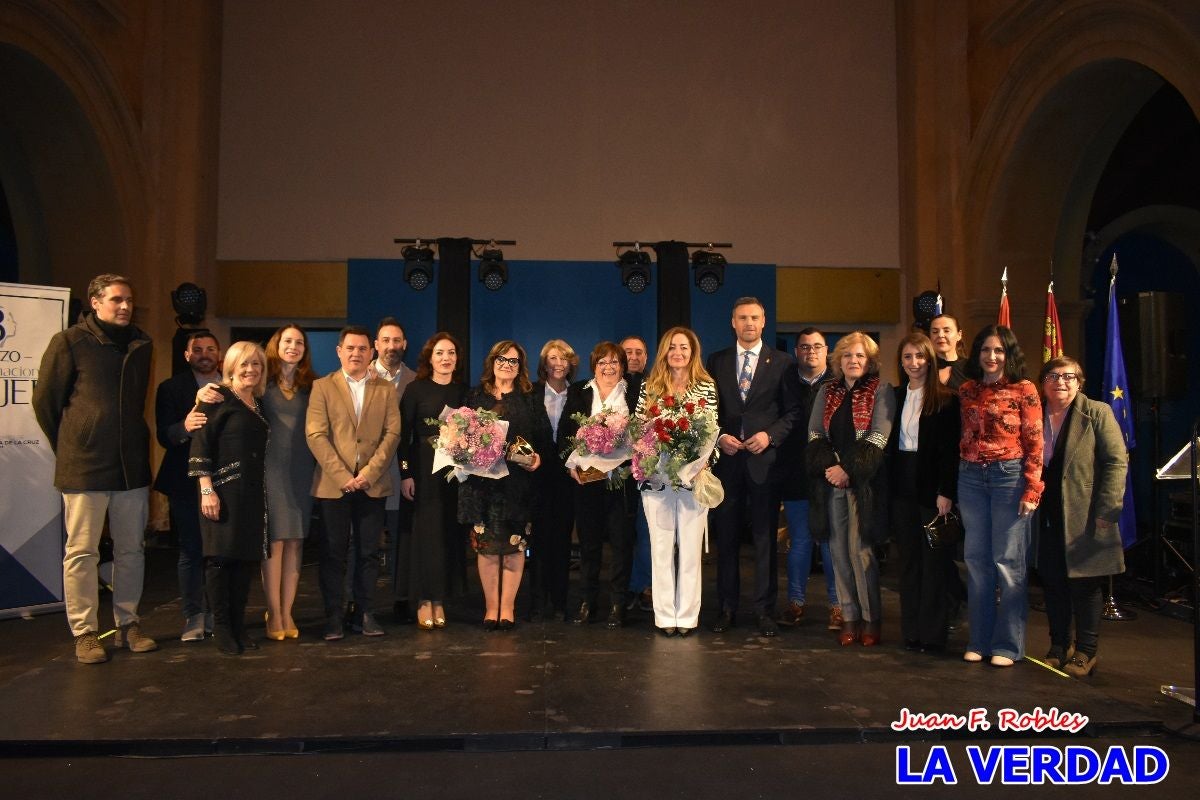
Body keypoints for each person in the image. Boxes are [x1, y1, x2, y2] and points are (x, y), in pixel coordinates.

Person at [33, 273, 158, 664]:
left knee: (132, 550)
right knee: (82, 552)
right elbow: (46, 403)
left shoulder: (142, 344)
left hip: (131, 468)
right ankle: (85, 632)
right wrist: (74, 443)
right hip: (84, 467)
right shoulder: (69, 342)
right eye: (117, 299)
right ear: (96, 302)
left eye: (129, 300)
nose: (125, 306)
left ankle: (128, 624)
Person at [707, 297, 800, 636]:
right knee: (726, 540)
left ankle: (764, 611)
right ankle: (727, 608)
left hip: (764, 463)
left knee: (764, 541)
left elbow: (791, 412)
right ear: (733, 322)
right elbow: (706, 412)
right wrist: (718, 437)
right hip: (728, 465)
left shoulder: (784, 363)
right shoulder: (716, 361)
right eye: (742, 317)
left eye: (755, 318)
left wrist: (769, 436)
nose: (749, 323)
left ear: (763, 322)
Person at [306, 325, 402, 641]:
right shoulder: (322, 387)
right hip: (334, 486)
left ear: (371, 353)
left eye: (362, 348)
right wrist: (344, 477)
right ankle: (334, 616)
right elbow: (316, 435)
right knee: (334, 553)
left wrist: (369, 474)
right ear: (339, 351)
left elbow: (393, 435)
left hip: (371, 485)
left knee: (369, 553)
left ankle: (365, 613)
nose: (356, 353)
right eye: (350, 348)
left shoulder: (385, 389)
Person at [1033, 356, 1126, 677]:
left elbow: (1116, 461)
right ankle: (1059, 646)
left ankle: (1086, 651)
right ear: (1043, 382)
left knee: (1085, 585)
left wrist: (1108, 507)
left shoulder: (1097, 412)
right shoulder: (1035, 414)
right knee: (1053, 581)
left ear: (1079, 382)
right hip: (1045, 513)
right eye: (1053, 376)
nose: (1061, 382)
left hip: (1086, 513)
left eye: (1069, 376)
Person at [958, 325, 1043, 667]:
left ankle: (1008, 645)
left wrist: (1033, 487)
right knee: (977, 562)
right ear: (977, 354)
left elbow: (1036, 442)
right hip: (970, 477)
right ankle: (979, 640)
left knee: (1007, 563)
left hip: (1009, 477)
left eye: (998, 351)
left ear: (1008, 355)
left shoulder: (1025, 390)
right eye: (985, 350)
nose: (991, 357)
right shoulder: (966, 390)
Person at [806, 332, 894, 647]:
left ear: (869, 361)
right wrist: (832, 468)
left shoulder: (882, 390)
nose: (853, 361)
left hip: (864, 484)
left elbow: (878, 438)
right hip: (832, 481)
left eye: (859, 356)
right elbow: (815, 432)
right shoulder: (826, 391)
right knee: (838, 552)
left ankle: (871, 619)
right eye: (847, 356)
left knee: (860, 552)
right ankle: (849, 616)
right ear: (838, 360)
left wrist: (849, 470)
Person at [458, 341, 552, 630]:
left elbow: (544, 436)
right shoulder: (475, 396)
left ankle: (507, 608)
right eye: (502, 359)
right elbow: (460, 437)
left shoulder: (530, 398)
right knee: (486, 548)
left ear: (520, 366)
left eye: (513, 361)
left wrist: (536, 458)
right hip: (481, 485)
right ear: (492, 361)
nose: (507, 365)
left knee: (514, 547)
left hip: (517, 486)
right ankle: (491, 608)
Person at [189, 342, 270, 655]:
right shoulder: (215, 398)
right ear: (232, 367)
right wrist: (207, 490)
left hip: (251, 496)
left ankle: (238, 625)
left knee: (244, 562)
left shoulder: (258, 403)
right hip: (221, 493)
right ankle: (221, 628)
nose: (250, 370)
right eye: (244, 364)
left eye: (256, 365)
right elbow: (200, 446)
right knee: (220, 560)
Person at [635, 327, 718, 636]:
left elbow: (711, 431)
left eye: (684, 347)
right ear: (664, 353)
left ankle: (687, 617)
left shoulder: (706, 385)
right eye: (672, 348)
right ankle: (664, 616)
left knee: (690, 551)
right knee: (660, 549)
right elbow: (640, 432)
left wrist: (701, 463)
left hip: (694, 480)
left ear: (692, 351)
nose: (678, 353)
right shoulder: (650, 386)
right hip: (656, 480)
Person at [886, 332, 960, 653]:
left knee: (934, 565)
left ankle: (932, 635)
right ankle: (911, 632)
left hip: (933, 489)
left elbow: (950, 452)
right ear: (901, 362)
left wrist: (946, 491)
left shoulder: (946, 399)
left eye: (919, 356)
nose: (914, 363)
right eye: (907, 357)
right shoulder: (895, 396)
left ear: (930, 359)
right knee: (908, 563)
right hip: (901, 484)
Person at [558, 342, 641, 628]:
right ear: (594, 366)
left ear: (622, 365)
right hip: (587, 479)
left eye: (614, 362)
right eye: (602, 362)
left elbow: (643, 433)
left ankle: (618, 604)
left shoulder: (634, 391)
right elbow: (565, 435)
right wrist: (570, 467)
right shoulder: (579, 391)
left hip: (622, 480)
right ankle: (587, 602)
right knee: (589, 545)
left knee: (621, 544)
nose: (608, 368)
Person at [153, 330, 221, 642]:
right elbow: (164, 435)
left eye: (210, 348)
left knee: (221, 551)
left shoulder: (232, 386)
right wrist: (185, 426)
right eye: (198, 349)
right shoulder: (170, 388)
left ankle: (218, 613)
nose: (204, 354)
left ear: (219, 354)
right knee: (192, 549)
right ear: (187, 355)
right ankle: (194, 615)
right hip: (185, 481)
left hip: (226, 480)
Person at [399, 332, 467, 630]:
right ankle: (424, 600)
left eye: (451, 353)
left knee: (447, 536)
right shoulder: (415, 390)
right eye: (440, 353)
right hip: (423, 472)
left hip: (453, 475)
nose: (445, 358)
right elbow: (403, 436)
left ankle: (440, 599)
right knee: (425, 537)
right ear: (429, 357)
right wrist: (405, 473)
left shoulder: (463, 392)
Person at [776, 328, 841, 631]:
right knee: (799, 542)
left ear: (826, 350)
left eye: (816, 346)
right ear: (796, 351)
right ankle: (795, 603)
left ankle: (837, 607)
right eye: (804, 347)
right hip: (795, 475)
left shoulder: (840, 384)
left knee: (829, 543)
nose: (810, 352)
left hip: (830, 475)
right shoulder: (785, 384)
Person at [260, 325, 317, 640]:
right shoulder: (261, 382)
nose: (293, 346)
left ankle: (287, 611)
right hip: (270, 469)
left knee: (296, 541)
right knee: (275, 542)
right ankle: (274, 612)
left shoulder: (312, 386)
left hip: (302, 470)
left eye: (299, 342)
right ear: (276, 345)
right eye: (288, 341)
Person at [371, 318, 418, 621]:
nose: (391, 346)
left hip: (402, 475)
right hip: (367, 476)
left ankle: (402, 599)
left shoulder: (415, 381)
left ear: (405, 345)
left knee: (403, 541)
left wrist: (407, 471)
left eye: (397, 340)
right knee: (365, 544)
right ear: (376, 345)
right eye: (385, 340)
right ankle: (361, 603)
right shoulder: (359, 378)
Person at [530, 339, 578, 622]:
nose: (558, 364)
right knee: (538, 540)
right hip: (536, 475)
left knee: (561, 542)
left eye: (564, 359)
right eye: (553, 358)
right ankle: (537, 602)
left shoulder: (580, 395)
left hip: (568, 477)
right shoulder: (531, 393)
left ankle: (560, 603)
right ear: (544, 363)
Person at [620, 334, 654, 613]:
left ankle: (642, 587)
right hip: (615, 472)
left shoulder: (655, 386)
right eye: (627, 352)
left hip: (647, 471)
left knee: (646, 534)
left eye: (639, 352)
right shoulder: (609, 387)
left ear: (646, 358)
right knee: (621, 536)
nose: (633, 356)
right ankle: (622, 588)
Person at [929, 314, 968, 390]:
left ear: (959, 335)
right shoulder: (924, 368)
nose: (940, 335)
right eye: (935, 332)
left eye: (946, 331)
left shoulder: (971, 368)